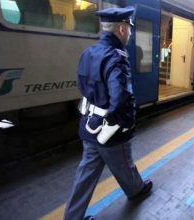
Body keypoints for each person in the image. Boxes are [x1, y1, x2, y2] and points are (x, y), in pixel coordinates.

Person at [64, 6, 153, 220]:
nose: (130, 33)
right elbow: (120, 97)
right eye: (130, 29)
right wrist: (123, 123)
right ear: (122, 29)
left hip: (89, 125)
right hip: (110, 131)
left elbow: (82, 86)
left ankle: (72, 217)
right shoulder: (117, 57)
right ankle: (136, 190)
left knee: (86, 173)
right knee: (123, 164)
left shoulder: (88, 52)